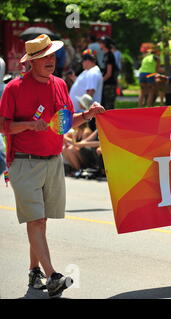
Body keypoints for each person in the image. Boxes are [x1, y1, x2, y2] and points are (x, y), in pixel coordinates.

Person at [0, 34, 106, 297]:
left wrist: (88, 115)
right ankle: (53, 276)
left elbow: (66, 123)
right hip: (24, 162)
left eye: (51, 56)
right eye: (43, 57)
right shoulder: (14, 88)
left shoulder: (59, 84)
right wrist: (27, 124)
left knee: (41, 221)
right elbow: (3, 126)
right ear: (30, 63)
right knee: (36, 221)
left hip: (53, 161)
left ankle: (34, 271)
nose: (50, 61)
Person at [98, 36, 118, 110]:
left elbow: (109, 73)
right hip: (106, 83)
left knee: (108, 106)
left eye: (101, 43)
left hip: (109, 84)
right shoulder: (106, 54)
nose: (99, 44)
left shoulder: (109, 55)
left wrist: (100, 81)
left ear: (105, 44)